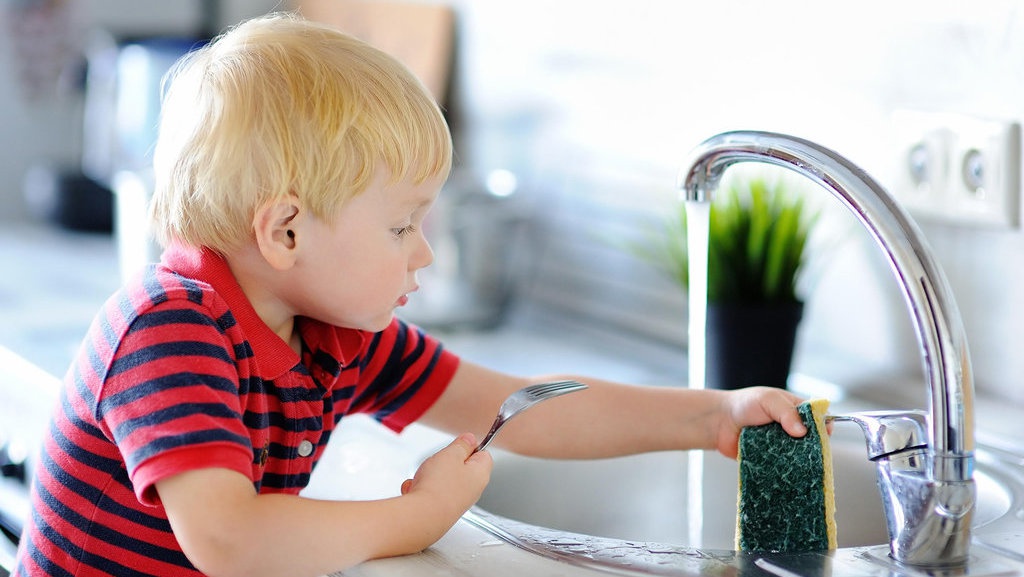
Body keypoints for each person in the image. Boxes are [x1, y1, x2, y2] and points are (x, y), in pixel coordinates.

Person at [14, 12, 809, 577]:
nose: (423, 252)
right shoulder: (169, 330)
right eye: (401, 227)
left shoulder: (336, 333)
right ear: (285, 230)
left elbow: (523, 404)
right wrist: (414, 519)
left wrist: (709, 416)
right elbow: (230, 542)